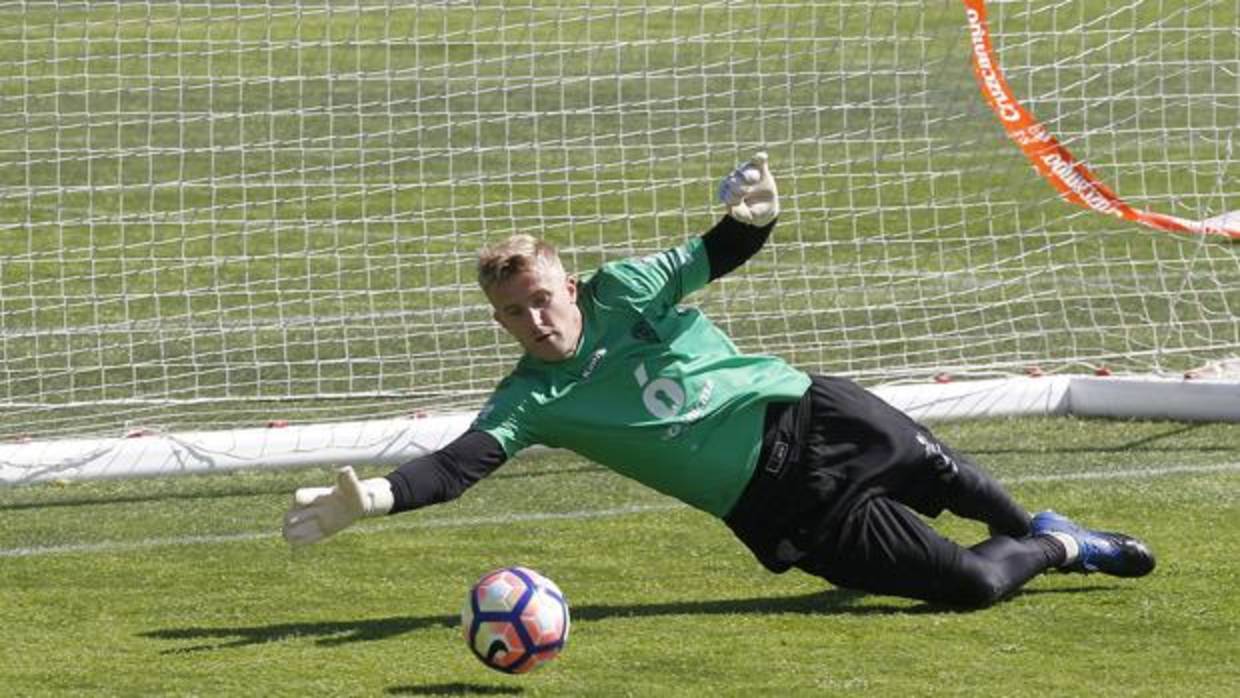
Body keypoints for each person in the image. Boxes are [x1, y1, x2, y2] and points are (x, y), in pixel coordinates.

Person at [282, 153, 1154, 608]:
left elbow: (719, 250)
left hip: (809, 414)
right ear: (500, 320)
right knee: (972, 587)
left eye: (542, 299)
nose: (536, 320)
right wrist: (377, 500)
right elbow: (458, 464)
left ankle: (1033, 523)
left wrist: (755, 215)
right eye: (515, 313)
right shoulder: (532, 398)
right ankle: (1059, 545)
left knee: (950, 478)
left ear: (569, 285)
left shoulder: (626, 285)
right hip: (778, 505)